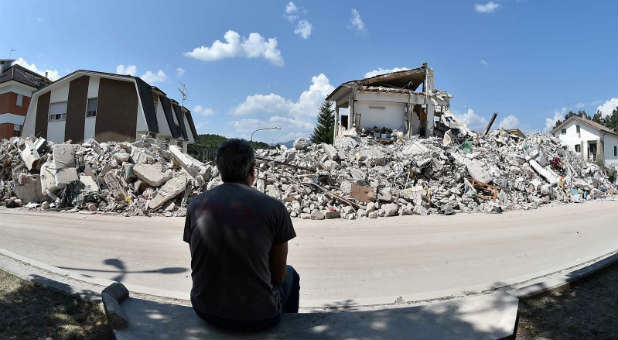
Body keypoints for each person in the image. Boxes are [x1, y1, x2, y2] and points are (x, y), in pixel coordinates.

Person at [183, 139, 300, 331]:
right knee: (291, 274)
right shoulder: (274, 208)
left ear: (219, 169)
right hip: (259, 316)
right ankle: (288, 331)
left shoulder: (196, 205)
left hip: (205, 310)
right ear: (252, 171)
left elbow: (199, 261)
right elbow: (278, 277)